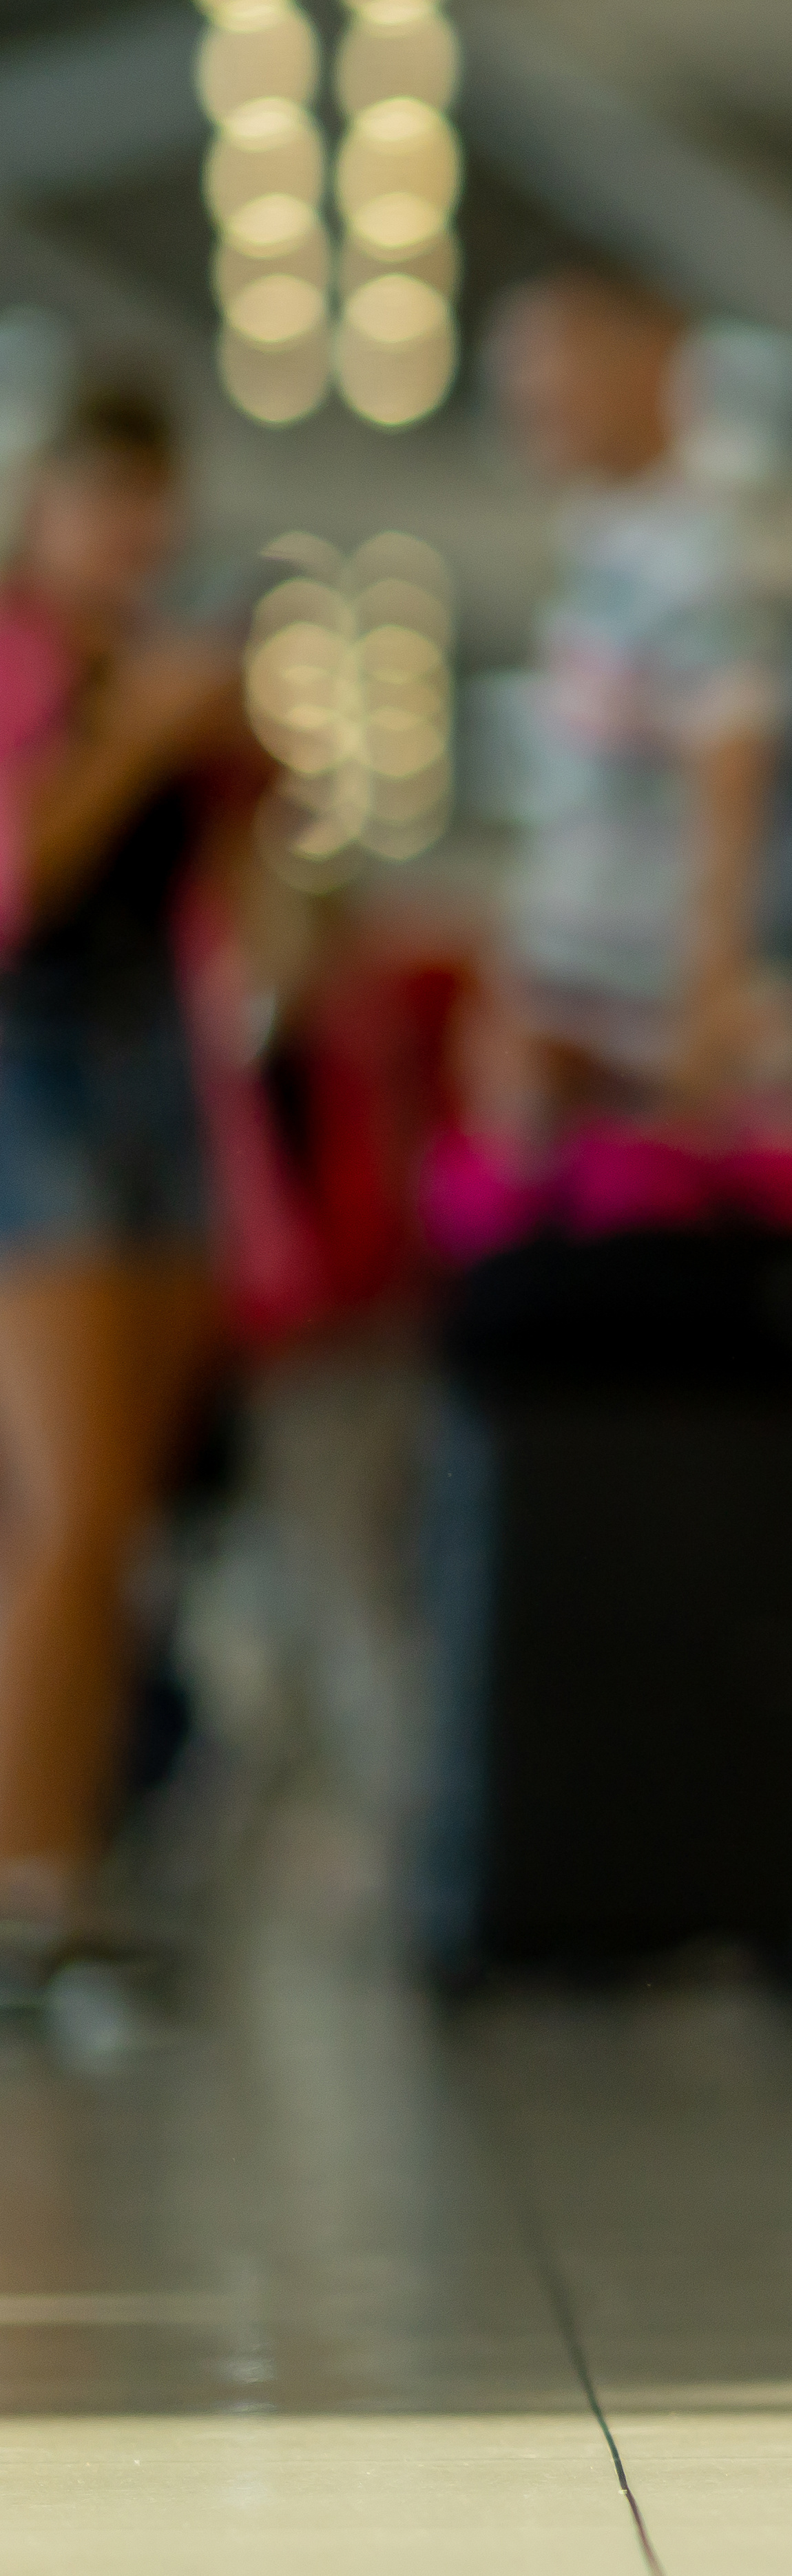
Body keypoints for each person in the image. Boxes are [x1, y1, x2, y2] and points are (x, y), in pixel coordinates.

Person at [0, 379, 248, 1992]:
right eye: (102, 500)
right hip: (41, 1091)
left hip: (158, 1085)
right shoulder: (29, 666)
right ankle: (26, 1888)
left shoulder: (142, 665)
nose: (132, 537)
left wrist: (237, 773)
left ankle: (66, 1869)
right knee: (70, 1516)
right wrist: (133, 740)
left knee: (121, 1528)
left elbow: (249, 923)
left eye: (150, 505)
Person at [480, 271, 792, 1134]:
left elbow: (740, 783)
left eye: (558, 360)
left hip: (651, 1056)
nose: (530, 392)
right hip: (576, 1035)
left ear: (653, 357)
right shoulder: (597, 540)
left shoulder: (702, 552)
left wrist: (707, 1019)